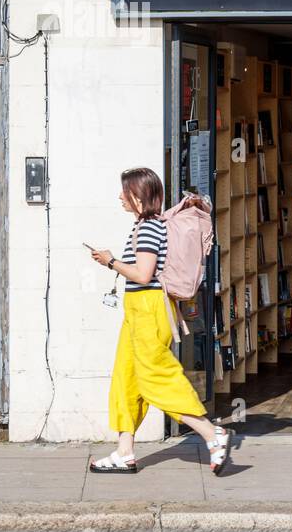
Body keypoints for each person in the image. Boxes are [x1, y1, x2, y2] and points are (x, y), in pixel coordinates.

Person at [86, 167, 233, 475]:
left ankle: (212, 434)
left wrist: (111, 261)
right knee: (126, 380)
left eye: (124, 192)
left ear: (138, 196)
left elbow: (143, 274)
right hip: (138, 311)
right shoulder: (147, 225)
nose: (120, 197)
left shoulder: (149, 229)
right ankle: (124, 452)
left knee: (157, 380)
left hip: (148, 310)